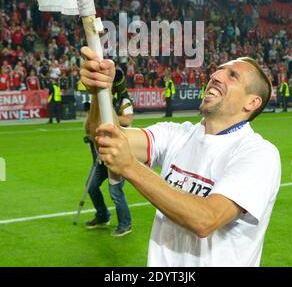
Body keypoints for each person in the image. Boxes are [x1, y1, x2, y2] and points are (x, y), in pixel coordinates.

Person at [80, 48, 281, 267]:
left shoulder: (259, 154)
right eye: (219, 70)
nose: (215, 75)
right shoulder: (177, 134)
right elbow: (105, 136)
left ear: (251, 103)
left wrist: (130, 167)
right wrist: (100, 91)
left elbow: (206, 219)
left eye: (233, 75)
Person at [85, 68, 134, 237]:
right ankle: (102, 215)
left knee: (115, 192)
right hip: (101, 156)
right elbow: (88, 125)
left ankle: (125, 224)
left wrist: (107, 114)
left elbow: (127, 120)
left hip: (117, 153)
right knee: (91, 187)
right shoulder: (99, 100)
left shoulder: (125, 100)